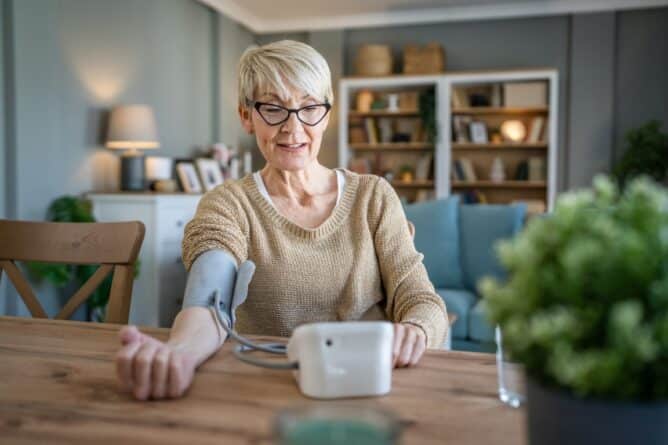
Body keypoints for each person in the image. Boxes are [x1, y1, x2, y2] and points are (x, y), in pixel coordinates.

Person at [114, 40, 448, 401]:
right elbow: (208, 302)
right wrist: (180, 351)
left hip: (367, 385)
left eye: (308, 108)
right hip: (264, 390)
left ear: (327, 114)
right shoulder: (228, 204)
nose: (293, 127)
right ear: (246, 116)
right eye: (273, 108)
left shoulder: (374, 196)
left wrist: (415, 330)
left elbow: (421, 299)